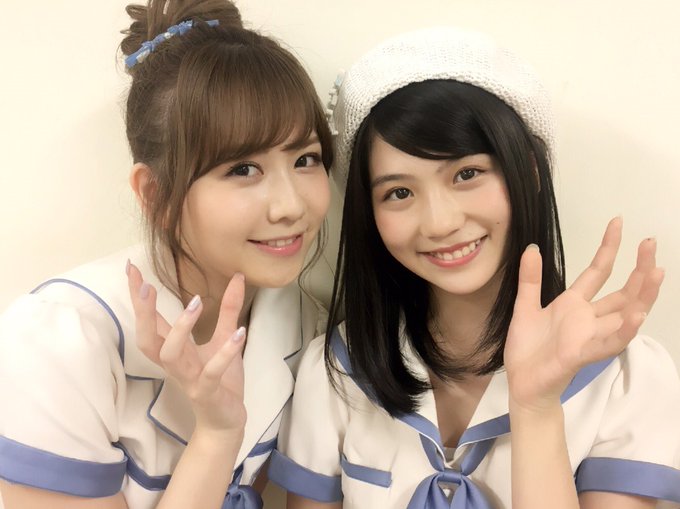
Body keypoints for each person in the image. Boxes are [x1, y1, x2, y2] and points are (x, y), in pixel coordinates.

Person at [268, 27, 680, 508]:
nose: (440, 222)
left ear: (529, 171)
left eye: (467, 174)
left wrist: (535, 409)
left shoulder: (625, 378)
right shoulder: (338, 371)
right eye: (399, 192)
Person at [0, 0, 335, 508]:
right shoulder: (58, 342)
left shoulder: (306, 328)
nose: (291, 206)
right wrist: (217, 434)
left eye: (305, 159)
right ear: (155, 195)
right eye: (242, 169)